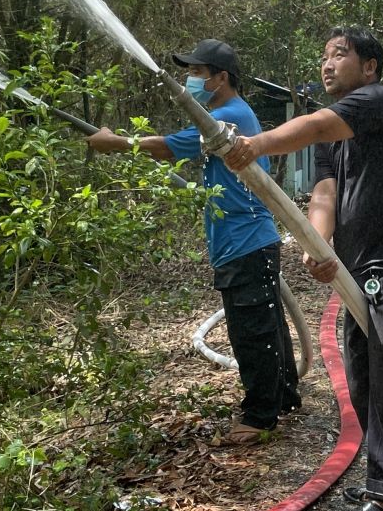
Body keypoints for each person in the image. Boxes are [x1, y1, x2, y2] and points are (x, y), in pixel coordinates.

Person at [223, 25, 383, 511]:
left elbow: (318, 126)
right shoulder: (336, 139)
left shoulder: (378, 102)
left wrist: (255, 145)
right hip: (361, 271)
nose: (327, 64)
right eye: (323, 56)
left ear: (368, 68)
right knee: (364, 375)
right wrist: (317, 246)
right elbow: (323, 193)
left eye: (339, 55)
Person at [88, 39, 298, 444]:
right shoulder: (223, 115)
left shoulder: (227, 117)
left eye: (199, 73)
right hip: (245, 241)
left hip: (245, 241)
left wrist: (115, 144)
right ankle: (283, 397)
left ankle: (259, 417)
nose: (193, 79)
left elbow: (168, 148)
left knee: (251, 331)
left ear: (222, 78)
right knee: (265, 323)